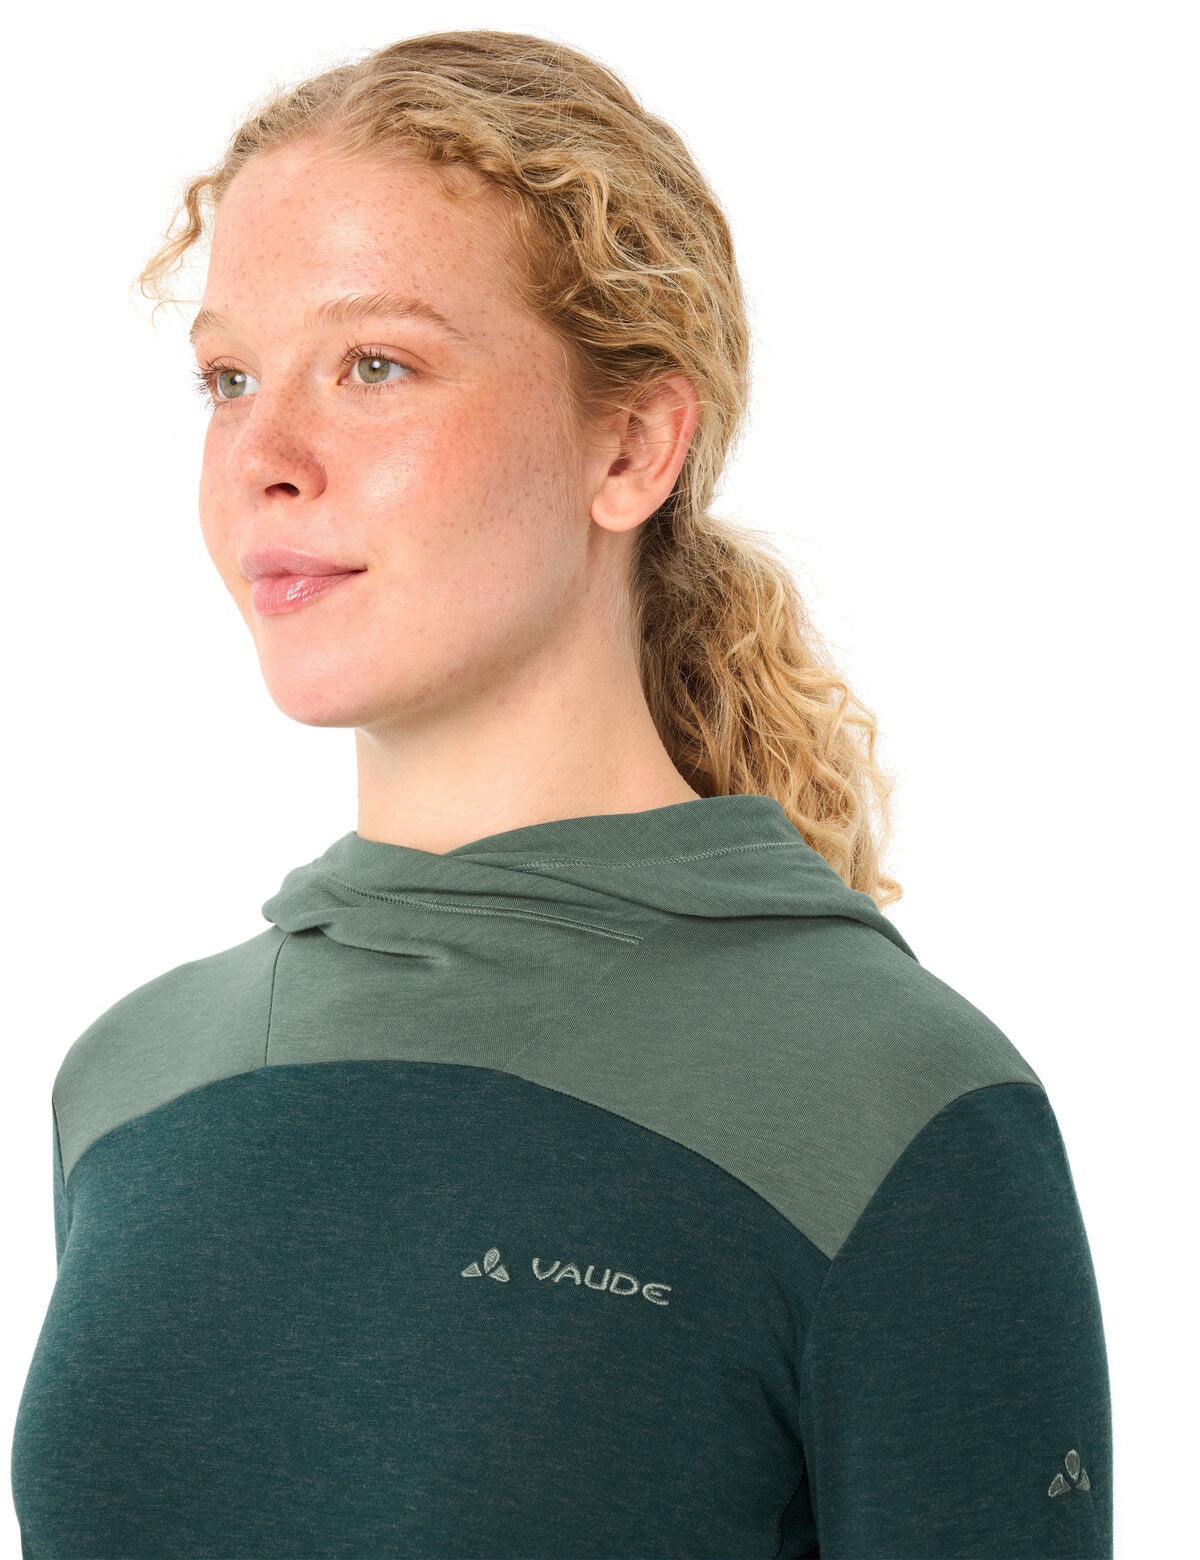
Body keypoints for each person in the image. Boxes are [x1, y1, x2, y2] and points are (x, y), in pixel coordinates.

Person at [9, 28, 1111, 1560]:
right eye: (229, 377)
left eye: (375, 365)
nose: (265, 454)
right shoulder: (131, 1081)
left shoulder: (889, 1103)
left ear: (633, 445)